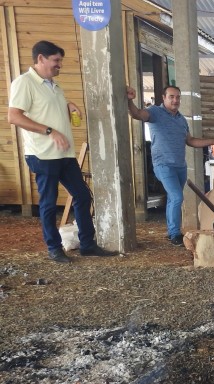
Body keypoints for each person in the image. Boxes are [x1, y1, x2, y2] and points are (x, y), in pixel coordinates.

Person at [8, 40, 115, 262]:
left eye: (60, 61)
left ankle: (87, 244)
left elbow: (45, 108)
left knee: (83, 196)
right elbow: (14, 116)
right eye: (55, 61)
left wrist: (68, 105)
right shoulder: (24, 83)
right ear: (40, 59)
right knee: (49, 202)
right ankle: (54, 248)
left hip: (64, 154)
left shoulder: (54, 85)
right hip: (43, 154)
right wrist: (49, 131)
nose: (59, 65)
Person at [126, 85, 214, 245]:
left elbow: (190, 141)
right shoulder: (155, 112)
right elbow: (136, 114)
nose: (175, 100)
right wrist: (130, 101)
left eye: (178, 97)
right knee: (177, 197)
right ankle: (174, 233)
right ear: (163, 98)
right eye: (171, 96)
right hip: (163, 164)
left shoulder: (181, 119)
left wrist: (211, 141)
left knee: (174, 198)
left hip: (180, 165)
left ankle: (172, 230)